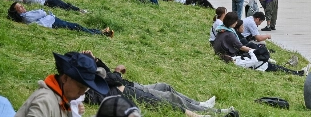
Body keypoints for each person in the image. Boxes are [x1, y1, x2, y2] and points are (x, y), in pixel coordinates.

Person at [83, 51, 234, 117]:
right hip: (128, 89)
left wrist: (96, 60)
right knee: (169, 97)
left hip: (130, 85)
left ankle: (200, 104)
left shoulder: (89, 78)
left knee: (165, 86)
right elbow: (112, 78)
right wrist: (117, 71)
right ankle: (208, 110)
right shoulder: (88, 83)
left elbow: (107, 75)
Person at [15, 52, 109, 117]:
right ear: (65, 78)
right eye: (80, 87)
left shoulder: (64, 101)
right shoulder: (45, 101)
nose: (81, 93)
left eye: (85, 89)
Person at [213, 12, 307, 76]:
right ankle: (297, 73)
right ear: (232, 22)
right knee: (269, 65)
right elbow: (241, 47)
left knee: (264, 58)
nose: (237, 23)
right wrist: (254, 51)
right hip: (233, 57)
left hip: (228, 55)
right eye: (236, 21)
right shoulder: (229, 33)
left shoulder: (221, 29)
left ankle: (295, 71)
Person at [8, 2, 114, 37]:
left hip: (51, 20)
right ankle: (101, 33)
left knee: (76, 26)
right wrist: (41, 11)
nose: (22, 7)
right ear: (17, 12)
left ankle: (100, 32)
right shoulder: (26, 16)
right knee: (76, 27)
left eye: (21, 5)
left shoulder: (26, 14)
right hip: (51, 22)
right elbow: (42, 12)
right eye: (19, 7)